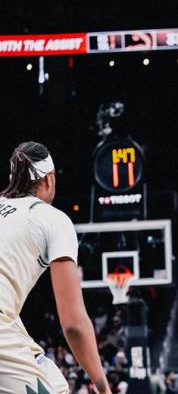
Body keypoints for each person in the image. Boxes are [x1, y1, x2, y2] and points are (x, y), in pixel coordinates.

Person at [0, 142, 111, 394]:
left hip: (7, 320)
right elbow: (74, 323)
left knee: (52, 377)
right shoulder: (52, 219)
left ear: (12, 179)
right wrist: (102, 386)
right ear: (49, 179)